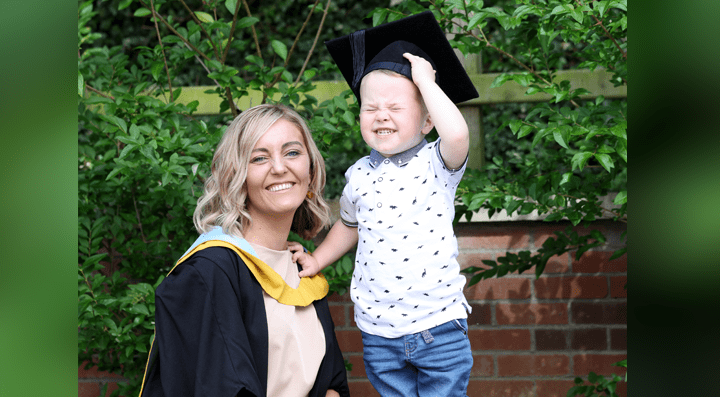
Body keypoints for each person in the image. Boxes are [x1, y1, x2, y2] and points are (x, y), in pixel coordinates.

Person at [288, 11, 479, 396]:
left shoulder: (436, 163)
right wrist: (317, 260)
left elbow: (458, 132)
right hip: (379, 332)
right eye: (370, 107)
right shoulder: (358, 175)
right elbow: (348, 225)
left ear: (427, 121)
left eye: (396, 107)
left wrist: (426, 82)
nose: (381, 116)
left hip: (437, 326)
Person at [138, 104, 349, 397]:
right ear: (236, 175)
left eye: (292, 152)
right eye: (259, 158)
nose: (279, 167)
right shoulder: (209, 272)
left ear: (310, 171)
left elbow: (332, 385)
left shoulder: (300, 268)